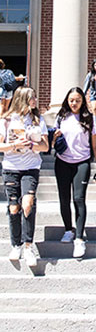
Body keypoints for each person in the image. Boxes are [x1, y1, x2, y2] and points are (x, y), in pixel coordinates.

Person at [0, 87, 49, 267]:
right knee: (14, 207)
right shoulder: (6, 121)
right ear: (22, 99)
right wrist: (14, 145)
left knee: (28, 203)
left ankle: (28, 246)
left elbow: (45, 147)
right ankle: (16, 244)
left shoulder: (38, 120)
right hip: (11, 167)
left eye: (35, 97)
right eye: (32, 97)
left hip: (30, 167)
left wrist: (31, 145)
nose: (35, 100)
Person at [53, 87, 96, 258]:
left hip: (82, 162)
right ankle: (68, 230)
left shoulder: (89, 118)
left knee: (79, 198)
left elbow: (95, 145)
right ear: (67, 100)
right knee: (64, 198)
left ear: (83, 102)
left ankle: (80, 238)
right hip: (62, 162)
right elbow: (52, 141)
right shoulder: (61, 117)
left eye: (78, 100)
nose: (74, 103)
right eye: (72, 100)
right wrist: (54, 137)